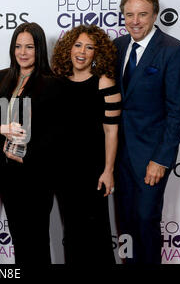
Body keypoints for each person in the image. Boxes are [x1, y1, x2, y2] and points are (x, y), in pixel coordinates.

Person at [113, 0, 180, 264]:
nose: (135, 21)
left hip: (151, 157)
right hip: (118, 156)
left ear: (155, 14)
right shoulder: (117, 47)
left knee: (145, 221)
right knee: (124, 224)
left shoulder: (173, 51)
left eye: (142, 14)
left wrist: (161, 158)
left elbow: (177, 111)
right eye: (129, 14)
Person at [50, 24, 120, 264]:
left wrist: (108, 171)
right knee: (71, 235)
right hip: (63, 173)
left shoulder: (104, 83)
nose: (81, 51)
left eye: (89, 47)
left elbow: (111, 130)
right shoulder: (57, 82)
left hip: (93, 173)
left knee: (97, 235)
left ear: (96, 53)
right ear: (69, 48)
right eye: (77, 45)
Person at [0, 22, 58, 264]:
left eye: (29, 47)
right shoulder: (2, 78)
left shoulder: (51, 83)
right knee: (19, 238)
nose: (22, 52)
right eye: (18, 46)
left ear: (39, 49)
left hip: (36, 174)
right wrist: (0, 128)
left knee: (37, 239)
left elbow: (55, 134)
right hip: (7, 175)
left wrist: (27, 156)